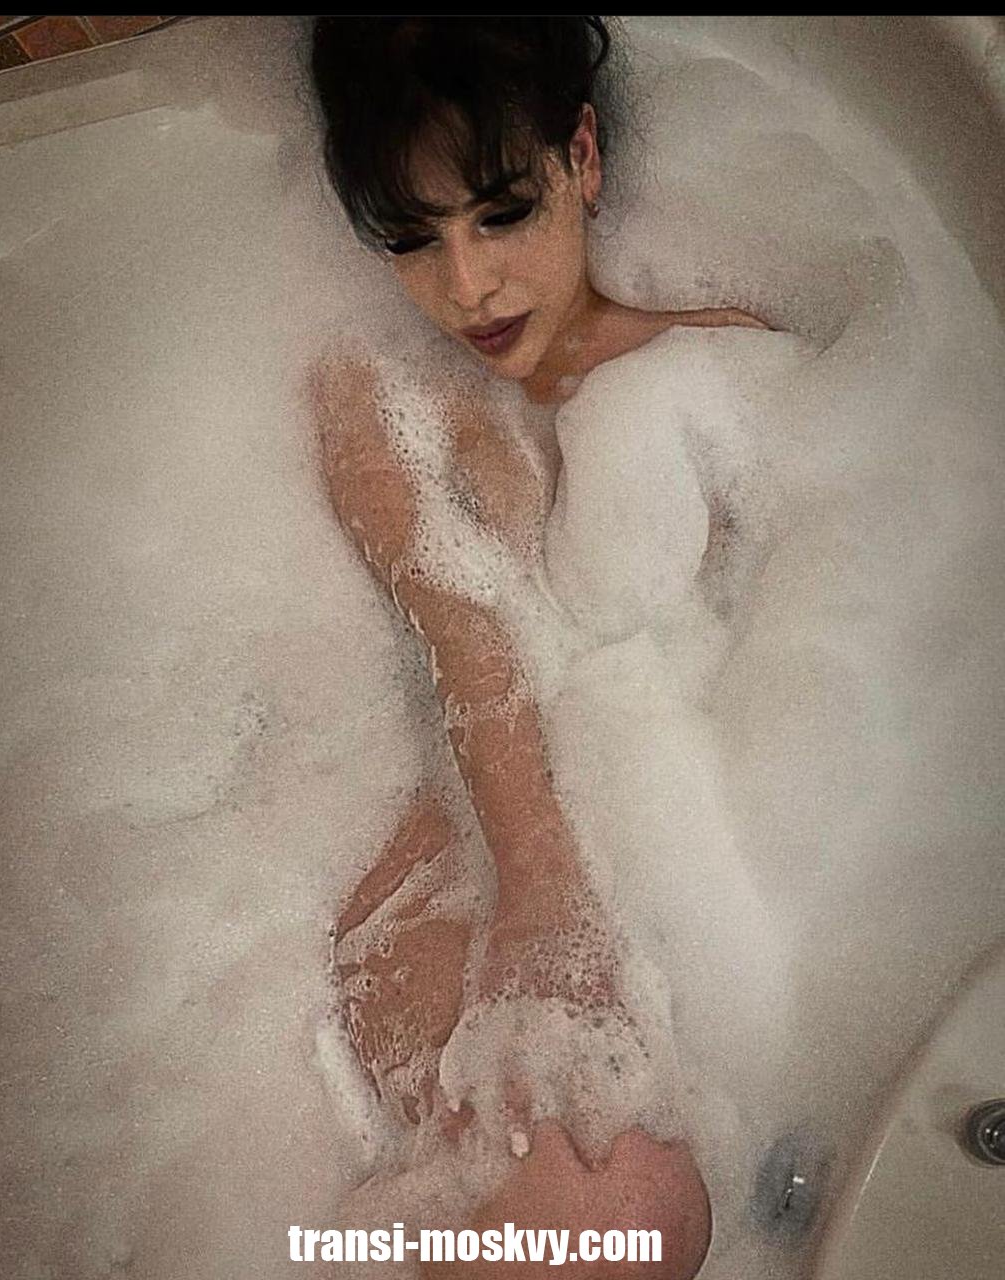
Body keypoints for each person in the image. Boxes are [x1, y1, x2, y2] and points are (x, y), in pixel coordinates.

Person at [305, 17, 770, 1276]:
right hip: (449, 832)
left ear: (584, 158)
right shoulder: (385, 394)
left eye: (501, 213)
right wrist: (541, 885)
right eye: (412, 238)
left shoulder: (717, 367)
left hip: (675, 834)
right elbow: (465, 641)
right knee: (608, 1220)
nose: (466, 287)